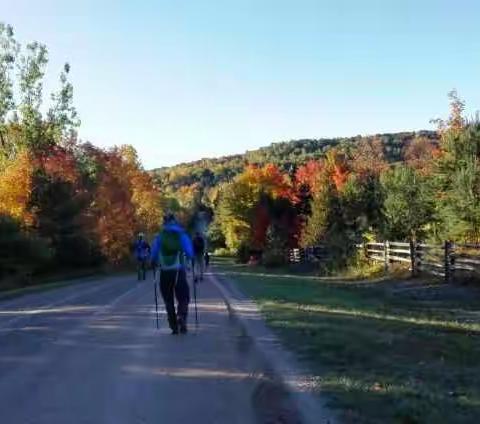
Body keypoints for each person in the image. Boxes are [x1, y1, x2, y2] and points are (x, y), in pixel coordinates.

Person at [150, 213, 193, 335]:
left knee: (168, 299)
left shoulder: (160, 236)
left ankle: (173, 325)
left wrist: (152, 261)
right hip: (179, 270)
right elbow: (189, 251)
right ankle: (182, 317)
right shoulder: (181, 234)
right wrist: (191, 259)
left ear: (164, 222)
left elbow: (154, 252)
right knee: (183, 297)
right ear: (175, 221)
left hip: (165, 271)